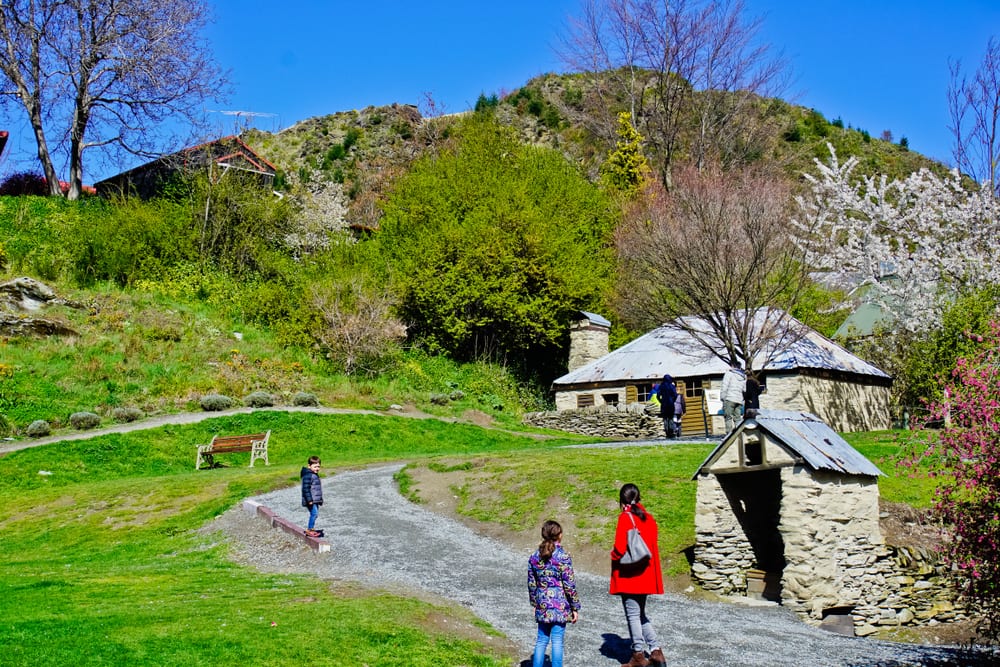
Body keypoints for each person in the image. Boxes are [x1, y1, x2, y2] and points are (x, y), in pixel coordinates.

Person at [610, 484, 665, 667]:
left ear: (622, 500)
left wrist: (613, 557)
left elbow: (619, 548)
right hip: (646, 574)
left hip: (630, 575)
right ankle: (656, 652)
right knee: (640, 613)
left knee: (633, 615)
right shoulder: (648, 518)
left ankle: (638, 655)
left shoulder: (625, 518)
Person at [527, 519, 580, 667]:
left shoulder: (534, 557)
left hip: (542, 604)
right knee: (557, 641)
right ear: (560, 535)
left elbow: (532, 583)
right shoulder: (563, 557)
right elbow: (569, 584)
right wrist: (575, 607)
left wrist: (534, 603)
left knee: (541, 640)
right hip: (560, 606)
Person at [720, 362, 747, 433]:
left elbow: (724, 386)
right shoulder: (743, 376)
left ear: (732, 366)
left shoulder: (729, 374)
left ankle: (728, 435)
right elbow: (744, 389)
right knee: (737, 418)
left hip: (729, 398)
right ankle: (739, 434)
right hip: (739, 400)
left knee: (728, 417)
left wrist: (722, 397)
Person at [300, 455, 324, 537]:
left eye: (318, 466)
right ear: (309, 466)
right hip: (310, 500)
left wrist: (319, 499)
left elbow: (316, 489)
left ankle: (311, 528)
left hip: (314, 499)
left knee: (315, 514)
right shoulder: (308, 475)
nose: (317, 468)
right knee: (314, 513)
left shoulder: (314, 474)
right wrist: (309, 500)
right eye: (315, 466)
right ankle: (309, 529)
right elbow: (305, 489)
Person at [655, 375, 677, 439]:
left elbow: (658, 395)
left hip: (664, 404)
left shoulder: (661, 386)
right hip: (670, 404)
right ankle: (671, 432)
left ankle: (667, 432)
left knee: (665, 418)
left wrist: (661, 401)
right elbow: (675, 395)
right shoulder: (672, 386)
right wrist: (673, 400)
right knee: (670, 418)